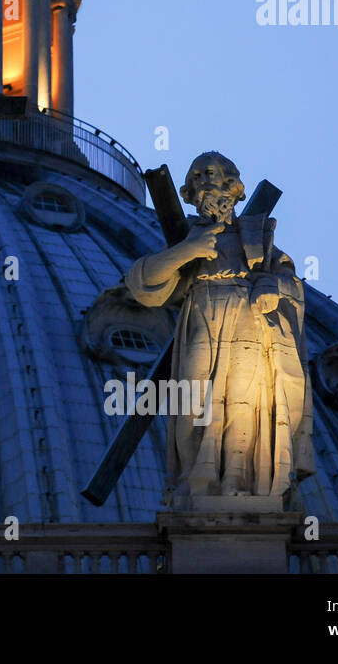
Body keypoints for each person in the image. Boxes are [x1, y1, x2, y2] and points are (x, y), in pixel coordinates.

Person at [124, 152, 314, 502]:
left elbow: (291, 283)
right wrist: (187, 251)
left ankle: (236, 484)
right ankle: (199, 483)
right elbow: (142, 282)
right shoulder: (186, 240)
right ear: (189, 194)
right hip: (201, 315)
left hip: (249, 323)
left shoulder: (258, 237)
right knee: (195, 402)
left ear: (234, 187)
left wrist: (272, 287)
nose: (203, 183)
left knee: (243, 404)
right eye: (195, 178)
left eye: (209, 174)